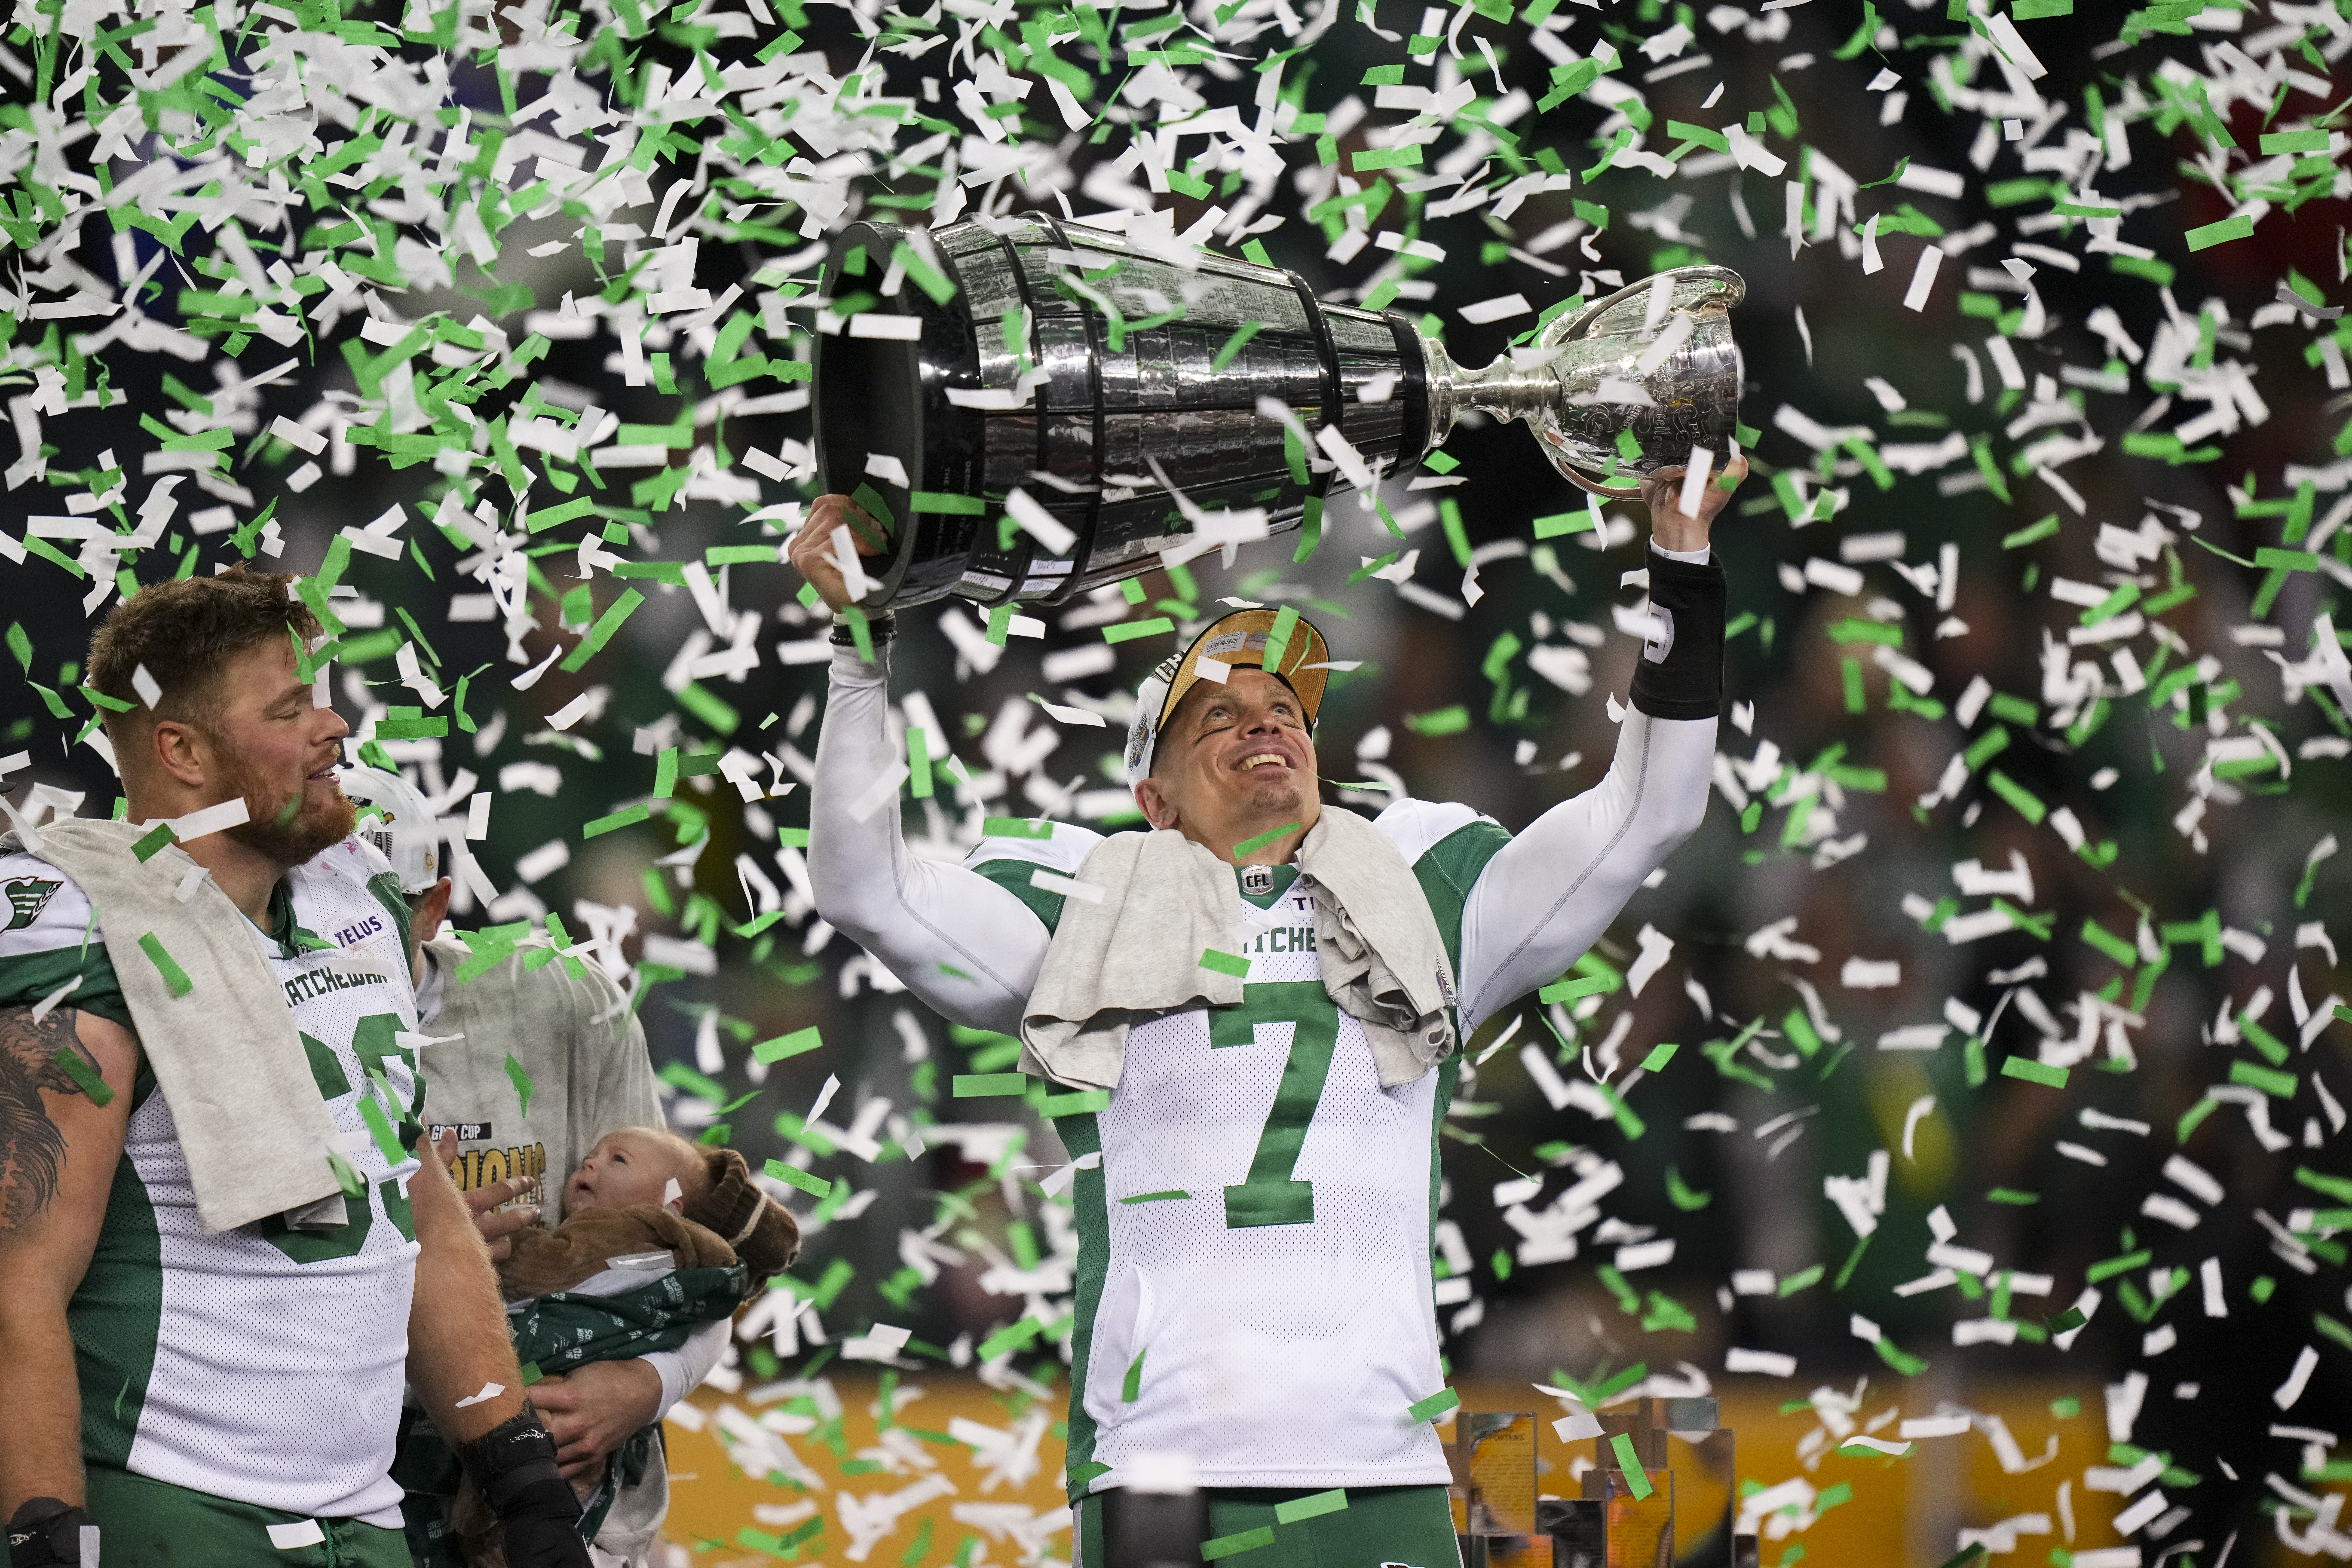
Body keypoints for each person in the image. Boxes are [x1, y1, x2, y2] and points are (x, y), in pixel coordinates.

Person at [790, 459, 1742, 1567]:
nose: (1264, 722)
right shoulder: (1086, 906)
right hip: (1162, 1459)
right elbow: (866, 887)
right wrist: (859, 648)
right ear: (1152, 797)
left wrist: (1683, 567)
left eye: (1286, 707)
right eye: (1218, 715)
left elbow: (1650, 812)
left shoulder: (1423, 885)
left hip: (1380, 1458)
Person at [0, 568, 589, 1568]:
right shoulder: (92, 935)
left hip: (363, 1515)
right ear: (180, 749)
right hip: (176, 1509)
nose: (333, 731)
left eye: (316, 696)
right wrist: (44, 1530)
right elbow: (17, 1281)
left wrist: (517, 1466)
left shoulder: (355, 898)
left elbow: (414, 1198)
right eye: (288, 709)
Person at [335, 767, 734, 1568]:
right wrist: (415, 1263)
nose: (329, 937)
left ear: (434, 907)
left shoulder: (561, 1002)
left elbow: (696, 1261)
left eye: (361, 917)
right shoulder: (236, 1035)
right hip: (348, 1495)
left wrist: (651, 1385)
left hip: (578, 1505)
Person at [443, 1128, 800, 1568]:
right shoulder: (689, 1262)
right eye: (592, 1153)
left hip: (539, 1442)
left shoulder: (635, 1233)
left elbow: (540, 1265)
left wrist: (458, 1250)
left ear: (671, 1208)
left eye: (618, 1161)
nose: (590, 1162)